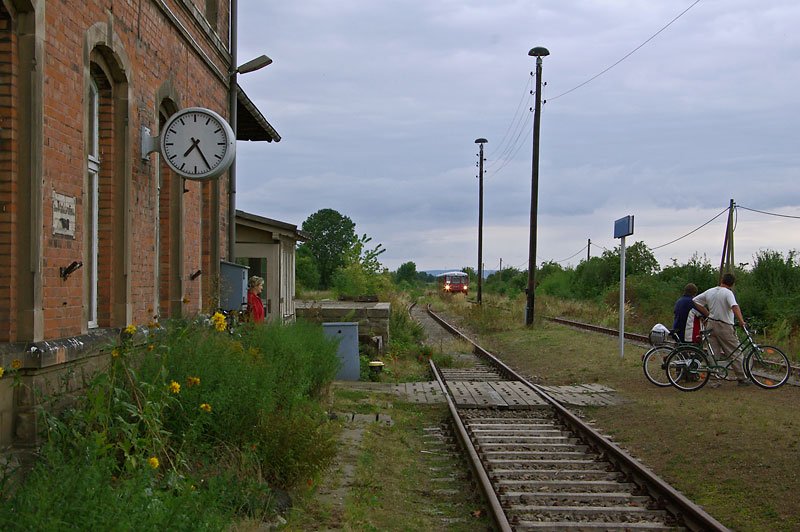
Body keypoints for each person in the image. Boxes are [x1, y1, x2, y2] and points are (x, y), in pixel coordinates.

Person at [692, 273, 749, 386]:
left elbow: (695, 300)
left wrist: (707, 313)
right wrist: (742, 322)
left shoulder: (710, 291)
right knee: (734, 351)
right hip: (724, 325)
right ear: (732, 284)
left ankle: (714, 379)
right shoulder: (728, 293)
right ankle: (742, 377)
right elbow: (734, 306)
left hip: (711, 324)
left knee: (713, 353)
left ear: (722, 280)